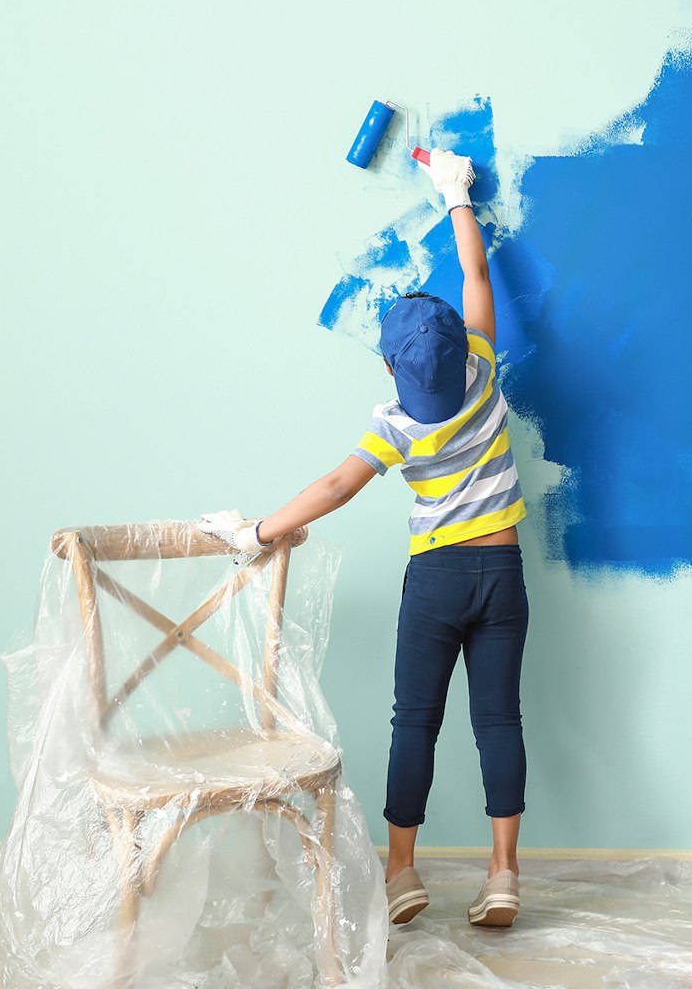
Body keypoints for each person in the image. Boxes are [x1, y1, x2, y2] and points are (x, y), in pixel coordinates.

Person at [198, 150, 528, 929]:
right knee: (500, 722)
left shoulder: (396, 424)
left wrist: (254, 531)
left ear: (390, 368)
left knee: (415, 721)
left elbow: (334, 488)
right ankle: (505, 874)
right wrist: (455, 193)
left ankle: (404, 873)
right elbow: (477, 283)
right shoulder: (482, 368)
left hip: (439, 580)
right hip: (504, 574)